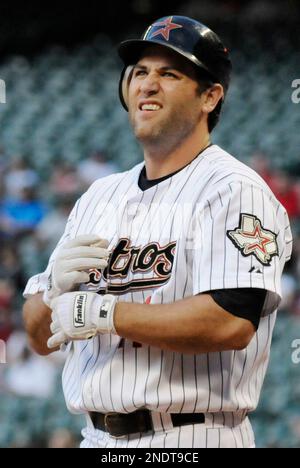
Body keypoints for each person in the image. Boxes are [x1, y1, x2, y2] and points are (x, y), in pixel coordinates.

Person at [23, 16, 293, 449]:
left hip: (193, 436)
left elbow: (230, 321)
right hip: (95, 438)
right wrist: (53, 292)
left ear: (210, 96)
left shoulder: (234, 190)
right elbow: (40, 339)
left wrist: (106, 314)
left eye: (169, 73)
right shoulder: (98, 196)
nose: (147, 84)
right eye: (141, 72)